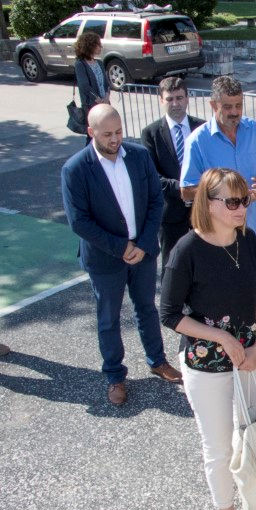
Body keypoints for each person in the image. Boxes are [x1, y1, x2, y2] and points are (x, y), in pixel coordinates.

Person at [159, 168, 256, 510]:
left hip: (251, 358)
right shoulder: (186, 250)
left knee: (252, 428)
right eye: (232, 201)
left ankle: (254, 486)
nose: (242, 207)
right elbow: (170, 313)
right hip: (206, 366)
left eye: (245, 199)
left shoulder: (249, 240)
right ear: (208, 205)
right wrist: (223, 338)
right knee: (219, 446)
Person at [61, 105, 182, 406]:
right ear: (91, 132)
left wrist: (143, 243)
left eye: (118, 132)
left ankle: (157, 360)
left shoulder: (139, 156)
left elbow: (155, 201)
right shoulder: (75, 169)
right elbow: (79, 222)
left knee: (147, 308)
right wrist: (121, 247)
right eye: (107, 134)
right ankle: (115, 376)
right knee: (109, 318)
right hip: (105, 258)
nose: (115, 139)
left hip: (142, 252)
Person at [181, 76, 256, 247]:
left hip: (254, 229)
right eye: (227, 107)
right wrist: (223, 194)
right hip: (217, 236)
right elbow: (186, 190)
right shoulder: (197, 141)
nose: (234, 112)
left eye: (238, 105)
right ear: (213, 105)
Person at [140, 76, 205, 268]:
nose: (175, 104)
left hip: (202, 210)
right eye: (169, 99)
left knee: (204, 266)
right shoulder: (150, 133)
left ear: (187, 98)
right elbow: (153, 177)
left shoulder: (202, 127)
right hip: (171, 215)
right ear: (161, 100)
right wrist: (185, 189)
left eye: (179, 98)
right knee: (173, 267)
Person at [73, 32, 110, 143]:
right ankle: (89, 153)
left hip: (105, 103)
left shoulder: (99, 63)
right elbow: (84, 85)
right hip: (91, 105)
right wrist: (97, 99)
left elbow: (106, 83)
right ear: (90, 45)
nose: (100, 47)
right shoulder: (80, 64)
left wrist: (107, 96)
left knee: (106, 131)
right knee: (93, 135)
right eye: (98, 44)